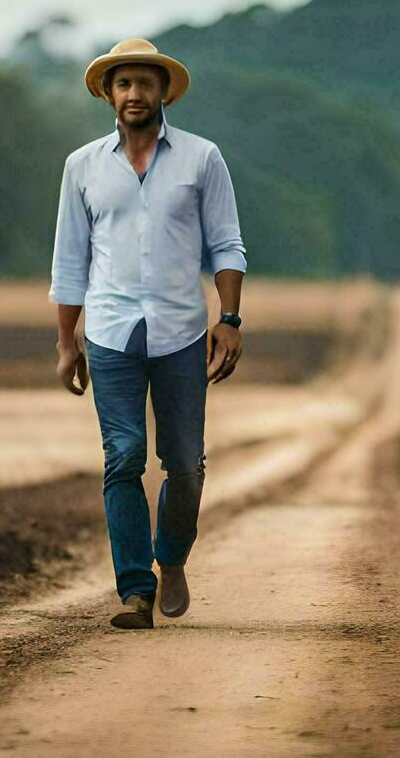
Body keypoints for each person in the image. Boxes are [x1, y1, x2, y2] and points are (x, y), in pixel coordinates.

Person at [50, 37, 247, 630]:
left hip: (182, 331)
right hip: (110, 333)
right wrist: (66, 342)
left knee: (185, 463)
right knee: (124, 458)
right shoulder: (82, 167)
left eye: (145, 83)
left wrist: (230, 319)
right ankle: (134, 589)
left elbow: (226, 244)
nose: (135, 94)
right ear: (109, 95)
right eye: (124, 84)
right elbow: (69, 261)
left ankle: (173, 557)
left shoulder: (201, 158)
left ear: (164, 92)